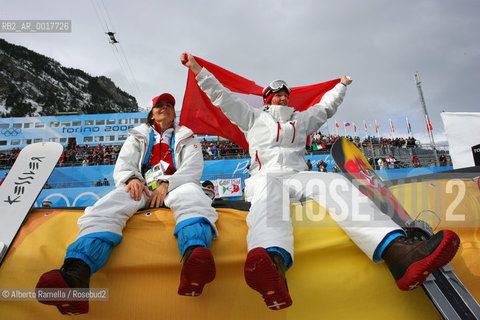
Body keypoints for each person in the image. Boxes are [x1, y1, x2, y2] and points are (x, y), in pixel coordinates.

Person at [181, 53, 460, 311]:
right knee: (269, 191)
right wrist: (197, 69)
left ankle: (399, 253)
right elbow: (221, 96)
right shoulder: (252, 117)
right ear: (267, 100)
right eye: (276, 96)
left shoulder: (301, 121)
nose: (282, 99)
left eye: (285, 96)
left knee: (335, 184)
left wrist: (341, 86)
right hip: (264, 176)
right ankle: (271, 264)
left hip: (298, 175)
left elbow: (326, 108)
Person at [36, 93, 218, 315]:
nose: (164, 108)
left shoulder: (188, 137)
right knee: (109, 204)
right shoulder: (137, 136)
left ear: (174, 112)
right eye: (159, 105)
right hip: (141, 187)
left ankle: (195, 259)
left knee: (192, 195)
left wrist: (166, 183)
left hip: (175, 185)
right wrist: (131, 178)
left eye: (169, 105)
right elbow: (124, 164)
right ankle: (76, 275)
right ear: (151, 114)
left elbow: (192, 169)